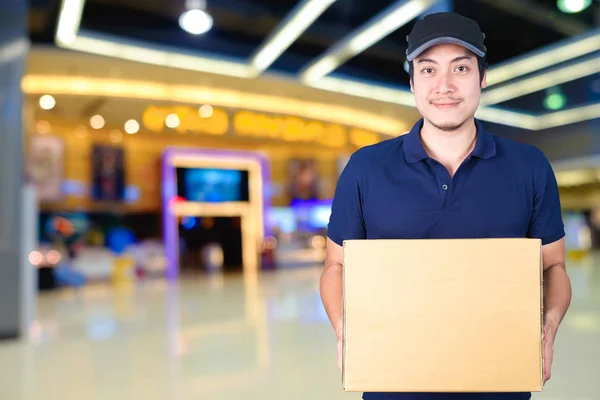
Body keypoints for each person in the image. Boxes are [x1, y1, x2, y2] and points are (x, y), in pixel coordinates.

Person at [321, 12, 572, 400]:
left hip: (499, 381)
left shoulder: (530, 167)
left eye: (460, 68)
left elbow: (553, 265)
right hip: (393, 382)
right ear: (412, 81)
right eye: (428, 70)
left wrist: (548, 327)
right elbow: (336, 266)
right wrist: (345, 331)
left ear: (482, 77)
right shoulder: (365, 168)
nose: (444, 86)